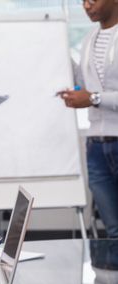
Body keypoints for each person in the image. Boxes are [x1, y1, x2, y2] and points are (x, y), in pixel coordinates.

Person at [58, 0, 118, 238]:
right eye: (82, 0)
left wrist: (93, 98)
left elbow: (93, 94)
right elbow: (85, 82)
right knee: (113, 230)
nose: (86, 5)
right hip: (96, 145)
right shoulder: (90, 37)